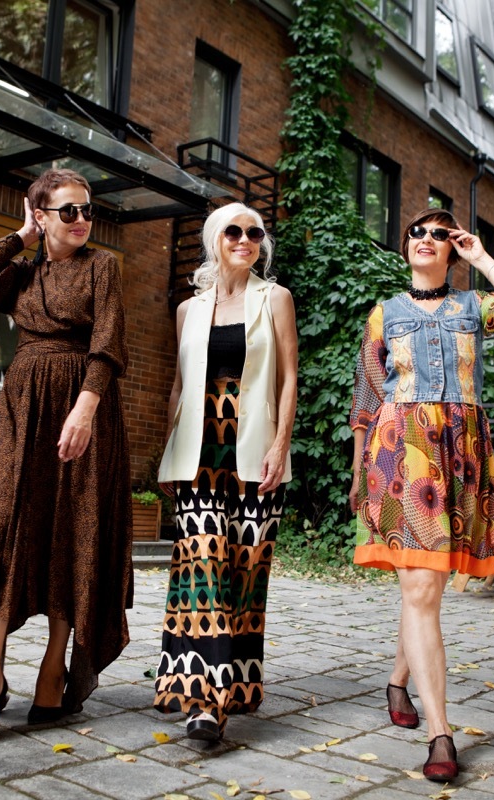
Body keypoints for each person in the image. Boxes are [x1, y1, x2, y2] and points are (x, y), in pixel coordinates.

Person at [348, 208, 494, 781]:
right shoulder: (384, 314)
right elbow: (366, 396)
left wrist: (480, 256)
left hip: (458, 455)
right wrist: (360, 472)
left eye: (439, 235)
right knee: (423, 587)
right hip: (399, 455)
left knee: (424, 585)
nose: (427, 240)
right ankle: (441, 735)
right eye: (418, 232)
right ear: (405, 244)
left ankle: (397, 681)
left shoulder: (470, 308)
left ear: (451, 249)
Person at [0, 168, 132, 739]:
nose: (81, 219)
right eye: (68, 211)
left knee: (72, 534)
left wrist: (84, 410)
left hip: (86, 407)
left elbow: (108, 342)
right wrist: (22, 237)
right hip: (23, 409)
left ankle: (53, 671)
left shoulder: (102, 267)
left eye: (87, 210)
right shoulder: (21, 276)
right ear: (41, 215)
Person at [154, 202, 298, 742]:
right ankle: (203, 702)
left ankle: (237, 687)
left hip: (255, 450)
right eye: (233, 231)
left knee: (245, 570)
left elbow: (288, 379)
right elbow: (178, 385)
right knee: (200, 569)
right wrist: (167, 452)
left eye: (254, 232)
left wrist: (280, 448)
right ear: (215, 238)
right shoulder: (188, 309)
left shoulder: (275, 298)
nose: (244, 239)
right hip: (198, 454)